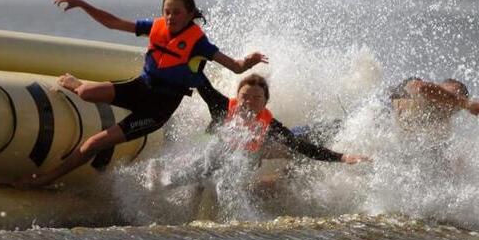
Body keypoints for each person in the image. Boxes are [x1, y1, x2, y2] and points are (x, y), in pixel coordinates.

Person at [12, 0, 267, 188]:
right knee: (85, 93)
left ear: (190, 14)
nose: (170, 17)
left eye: (177, 12)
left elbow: (234, 66)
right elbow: (114, 23)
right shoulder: (155, 27)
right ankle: (79, 84)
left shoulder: (199, 43)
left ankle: (46, 178)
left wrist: (249, 61)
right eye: (167, 11)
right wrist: (82, 4)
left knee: (93, 144)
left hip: (157, 110)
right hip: (140, 87)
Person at [149, 74, 368, 190]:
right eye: (245, 97)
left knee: (227, 180)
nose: (250, 103)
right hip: (213, 158)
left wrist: (341, 157)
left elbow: (301, 146)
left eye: (257, 98)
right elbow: (200, 81)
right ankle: (166, 180)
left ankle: (240, 222)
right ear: (237, 96)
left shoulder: (269, 124)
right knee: (199, 166)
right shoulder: (222, 107)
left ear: (265, 103)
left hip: (242, 164)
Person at [389, 77, 479, 139]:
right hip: (380, 115)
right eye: (446, 96)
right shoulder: (419, 93)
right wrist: (466, 104)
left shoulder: (443, 128)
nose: (446, 103)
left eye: (452, 106)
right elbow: (422, 88)